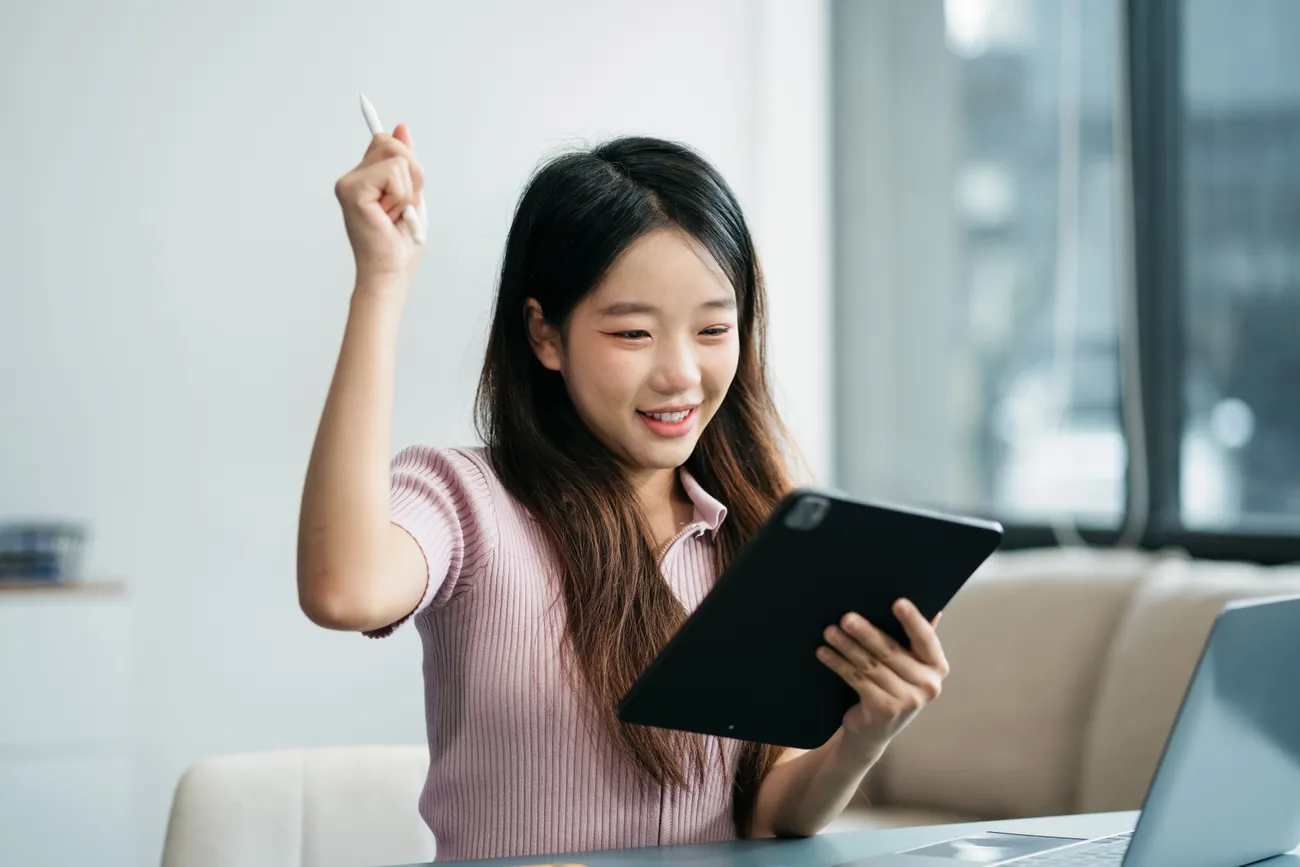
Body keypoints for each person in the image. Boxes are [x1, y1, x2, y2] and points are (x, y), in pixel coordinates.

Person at [297, 124, 951, 862]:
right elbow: (343, 589)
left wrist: (864, 732)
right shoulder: (466, 499)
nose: (681, 373)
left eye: (712, 328)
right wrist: (381, 282)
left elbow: (768, 814)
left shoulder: (762, 530)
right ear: (545, 334)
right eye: (635, 333)